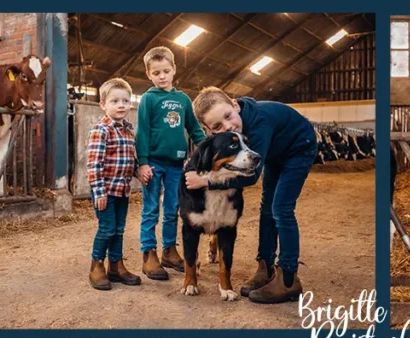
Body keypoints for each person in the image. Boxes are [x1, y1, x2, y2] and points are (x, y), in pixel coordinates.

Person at [186, 87, 318, 304]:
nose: (228, 126)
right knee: (267, 208)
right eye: (217, 126)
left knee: (281, 209)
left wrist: (206, 180)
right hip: (276, 153)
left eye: (228, 116)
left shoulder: (258, 124)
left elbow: (250, 177)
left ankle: (288, 279)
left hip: (298, 148)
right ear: (207, 129)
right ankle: (264, 267)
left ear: (235, 105)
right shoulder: (235, 132)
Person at [136, 46, 207, 281]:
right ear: (149, 74)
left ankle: (169, 250)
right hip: (154, 164)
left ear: (174, 69)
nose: (162, 76)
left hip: (177, 165)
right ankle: (149, 254)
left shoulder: (183, 99)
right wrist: (143, 163)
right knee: (151, 209)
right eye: (156, 73)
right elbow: (143, 132)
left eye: (166, 71)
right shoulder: (148, 99)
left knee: (172, 210)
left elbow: (194, 130)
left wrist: (208, 149)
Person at [87, 77, 141, 291]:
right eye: (115, 101)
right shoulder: (101, 130)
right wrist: (99, 192)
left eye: (125, 101)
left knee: (119, 229)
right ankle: (96, 265)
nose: (121, 105)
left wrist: (140, 171)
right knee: (107, 228)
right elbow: (94, 164)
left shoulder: (128, 130)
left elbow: (130, 159)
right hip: (105, 191)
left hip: (122, 190)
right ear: (103, 105)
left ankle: (116, 266)